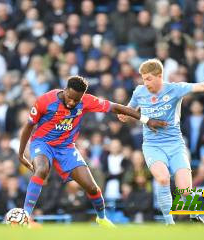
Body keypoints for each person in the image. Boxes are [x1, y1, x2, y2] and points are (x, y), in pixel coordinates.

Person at [18, 75, 167, 227]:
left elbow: (115, 107)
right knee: (42, 169)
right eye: (69, 97)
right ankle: (26, 216)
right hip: (43, 143)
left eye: (76, 100)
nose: (71, 102)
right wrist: (21, 154)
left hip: (66, 147)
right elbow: (28, 127)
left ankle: (101, 218)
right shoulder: (45, 101)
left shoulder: (85, 101)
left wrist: (147, 120)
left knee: (92, 187)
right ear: (65, 90)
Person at [119, 59, 204, 225]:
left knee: (185, 190)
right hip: (153, 146)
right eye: (143, 78)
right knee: (163, 179)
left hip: (175, 145)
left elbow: (200, 86)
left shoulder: (174, 89)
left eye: (149, 79)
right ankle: (169, 223)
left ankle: (194, 215)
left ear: (160, 76)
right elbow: (130, 110)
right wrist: (125, 116)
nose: (145, 83)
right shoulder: (139, 91)